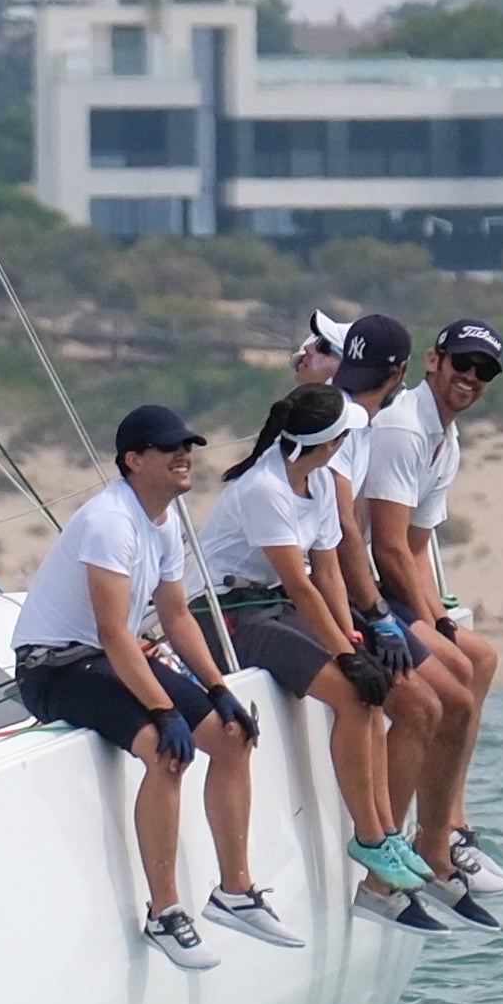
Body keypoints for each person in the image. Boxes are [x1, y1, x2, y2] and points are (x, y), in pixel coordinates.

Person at [11, 404, 290, 971]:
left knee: (233, 736)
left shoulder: (164, 520)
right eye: (169, 449)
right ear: (135, 461)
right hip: (55, 667)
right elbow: (115, 633)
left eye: (186, 446)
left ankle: (235, 891)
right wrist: (165, 712)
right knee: (167, 751)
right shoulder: (110, 522)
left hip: (107, 658)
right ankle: (165, 913)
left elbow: (176, 615)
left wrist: (218, 690)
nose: (183, 456)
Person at [199, 383, 449, 936]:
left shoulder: (314, 483)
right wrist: (341, 651)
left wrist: (352, 641)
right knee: (351, 694)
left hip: (271, 604)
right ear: (331, 443)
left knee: (371, 687)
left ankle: (385, 833)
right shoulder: (267, 487)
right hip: (225, 613)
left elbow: (328, 570)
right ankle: (368, 836)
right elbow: (299, 583)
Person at [363, 319, 503, 924]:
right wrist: (433, 625)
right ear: (434, 361)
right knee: (453, 673)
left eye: (484, 372)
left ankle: (449, 827)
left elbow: (419, 546)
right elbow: (389, 549)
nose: (470, 379)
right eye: (462, 364)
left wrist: (439, 618)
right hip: (364, 584)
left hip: (390, 577)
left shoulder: (445, 440)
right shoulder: (403, 427)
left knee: (482, 658)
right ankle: (426, 842)